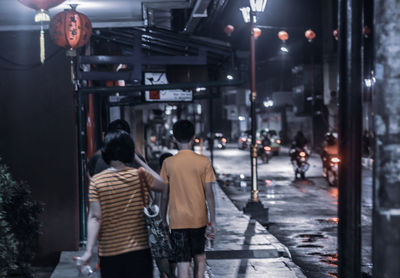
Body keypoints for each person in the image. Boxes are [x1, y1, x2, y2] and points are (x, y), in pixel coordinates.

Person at [80, 130, 168, 278]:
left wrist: (88, 250)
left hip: (110, 254)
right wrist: (138, 160)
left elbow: (95, 217)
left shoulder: (98, 181)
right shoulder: (140, 175)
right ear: (130, 151)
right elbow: (163, 185)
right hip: (139, 253)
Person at [160, 120, 216, 278]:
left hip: (178, 220)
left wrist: (163, 219)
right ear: (193, 137)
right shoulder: (203, 162)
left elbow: (164, 195)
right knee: (199, 256)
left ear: (174, 139)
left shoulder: (168, 163)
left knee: (182, 260)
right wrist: (213, 221)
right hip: (199, 219)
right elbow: (209, 195)